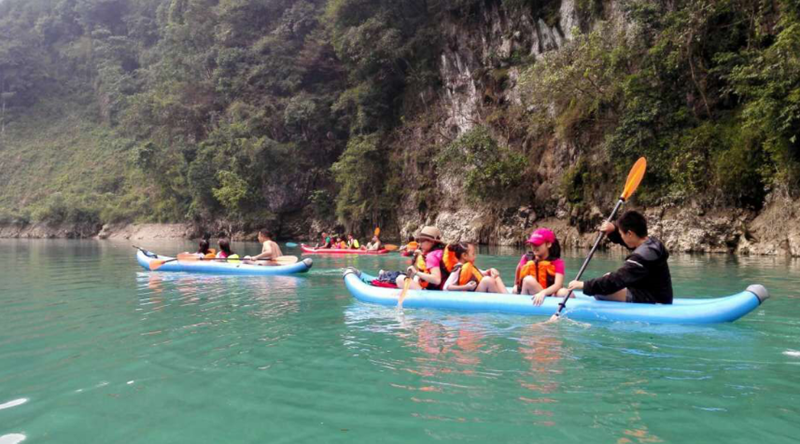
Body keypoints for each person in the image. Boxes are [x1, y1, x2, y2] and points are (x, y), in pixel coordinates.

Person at [566, 210, 673, 304]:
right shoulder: (652, 243)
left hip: (655, 300)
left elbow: (616, 280)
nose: (621, 236)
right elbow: (628, 241)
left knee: (600, 292)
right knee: (607, 277)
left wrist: (584, 285)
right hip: (655, 293)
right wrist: (613, 229)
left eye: (621, 233)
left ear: (630, 233)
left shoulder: (640, 258)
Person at [513, 228, 566, 306]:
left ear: (548, 244)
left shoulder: (557, 262)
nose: (534, 247)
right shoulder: (526, 258)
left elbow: (557, 285)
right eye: (532, 244)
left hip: (547, 294)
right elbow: (518, 269)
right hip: (526, 293)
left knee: (564, 292)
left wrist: (543, 293)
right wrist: (515, 285)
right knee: (528, 280)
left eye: (537, 244)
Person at [396, 226, 453, 290]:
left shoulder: (431, 256)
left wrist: (416, 272)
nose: (420, 244)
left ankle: (422, 292)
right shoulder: (439, 252)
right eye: (419, 241)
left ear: (432, 241)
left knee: (400, 279)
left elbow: (437, 280)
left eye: (422, 240)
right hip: (440, 288)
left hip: (433, 291)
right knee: (415, 278)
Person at [442, 242, 507, 293]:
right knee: (487, 280)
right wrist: (466, 287)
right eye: (473, 254)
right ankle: (501, 300)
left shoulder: (469, 266)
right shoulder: (457, 268)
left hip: (477, 291)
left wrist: (490, 271)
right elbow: (446, 287)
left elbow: (482, 273)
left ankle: (507, 296)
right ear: (464, 255)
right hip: (470, 294)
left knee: (494, 275)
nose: (475, 257)